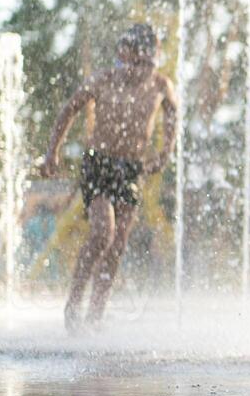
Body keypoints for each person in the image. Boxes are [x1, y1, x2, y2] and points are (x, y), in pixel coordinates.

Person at [41, 24, 177, 332]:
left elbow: (173, 115)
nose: (142, 71)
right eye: (136, 63)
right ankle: (74, 304)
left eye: (149, 63)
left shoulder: (160, 86)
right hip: (98, 165)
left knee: (117, 245)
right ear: (122, 55)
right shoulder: (103, 80)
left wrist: (165, 151)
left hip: (131, 169)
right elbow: (68, 110)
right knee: (103, 231)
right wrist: (53, 152)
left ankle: (96, 315)